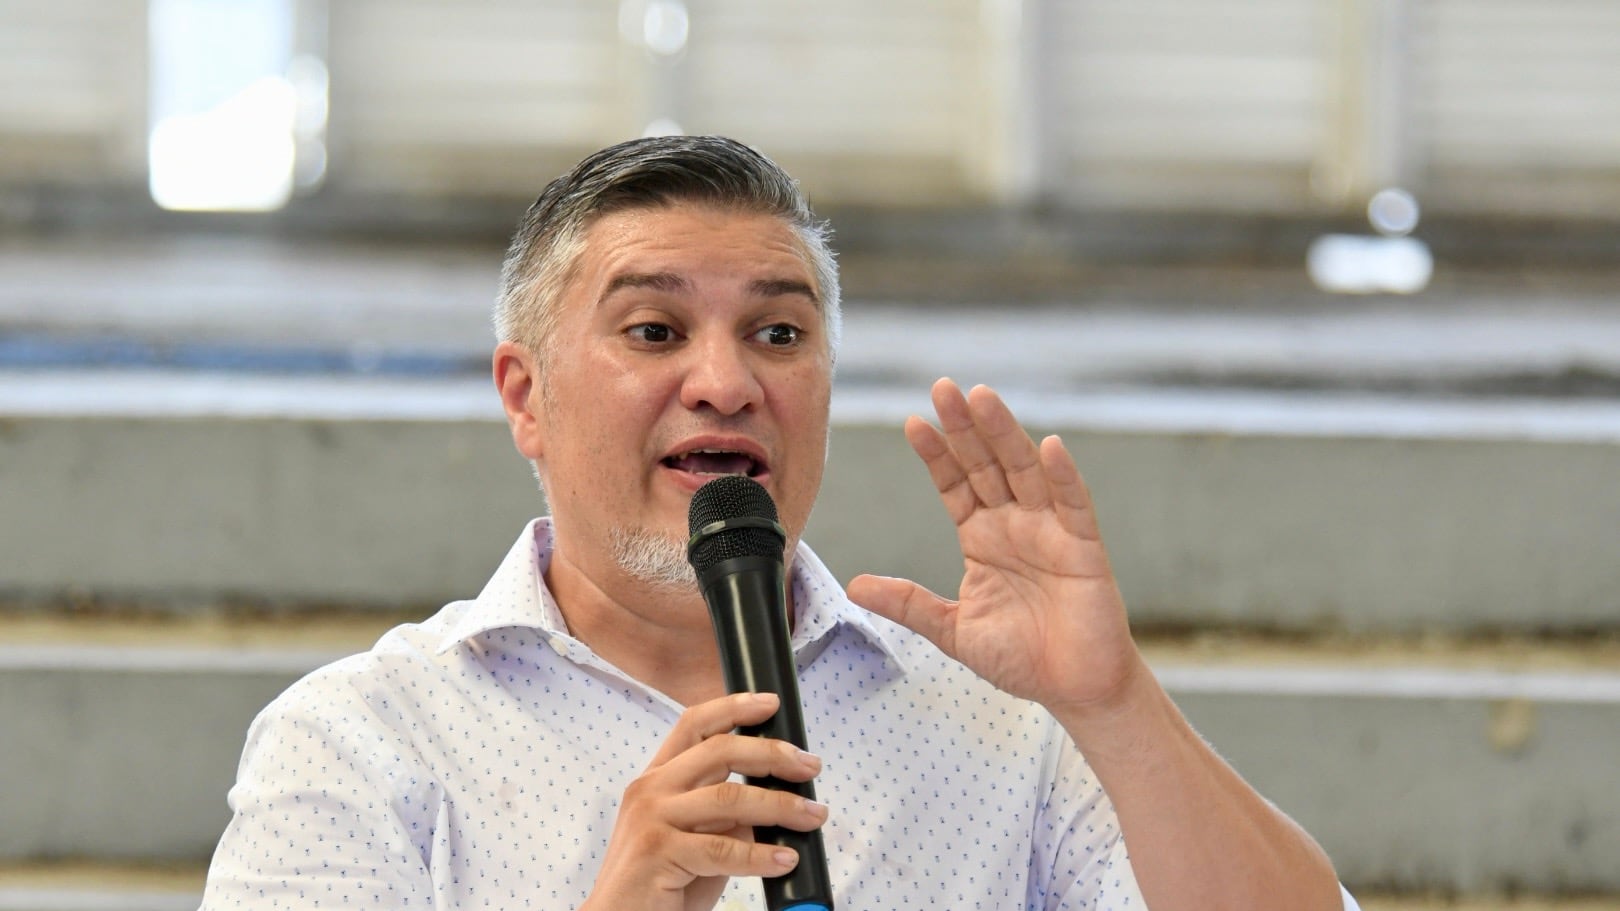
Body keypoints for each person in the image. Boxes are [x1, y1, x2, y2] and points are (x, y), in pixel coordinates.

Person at [201, 135, 1358, 910]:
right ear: (526, 395)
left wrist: (1114, 704)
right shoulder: (360, 740)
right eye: (655, 331)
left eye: (779, 334)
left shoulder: (1001, 726)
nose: (726, 382)